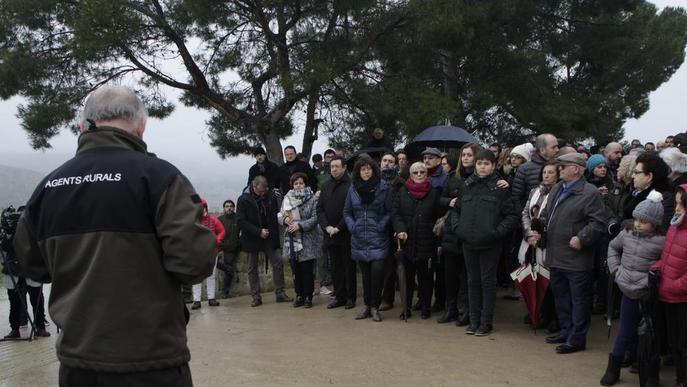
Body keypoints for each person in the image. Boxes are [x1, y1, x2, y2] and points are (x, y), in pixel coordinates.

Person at [13, 85, 216, 386]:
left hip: (77, 364)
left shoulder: (48, 187)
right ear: (141, 126)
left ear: (83, 126)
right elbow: (194, 263)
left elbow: (32, 266)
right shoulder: (160, 178)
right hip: (151, 361)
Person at [539, 153, 606, 354]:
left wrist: (582, 237)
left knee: (579, 300)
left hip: (577, 258)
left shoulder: (590, 192)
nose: (559, 170)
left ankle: (577, 338)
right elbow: (546, 213)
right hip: (556, 254)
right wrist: (539, 225)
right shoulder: (558, 188)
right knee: (561, 296)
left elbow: (598, 223)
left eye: (562, 166)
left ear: (576, 169)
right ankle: (566, 329)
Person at [600, 191, 665, 386]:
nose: (638, 224)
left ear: (654, 223)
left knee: (650, 334)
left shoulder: (662, 240)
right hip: (627, 290)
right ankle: (613, 368)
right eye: (637, 219)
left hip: (649, 294)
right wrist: (616, 270)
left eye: (643, 221)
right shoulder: (626, 232)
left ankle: (650, 372)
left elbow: (666, 262)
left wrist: (653, 278)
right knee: (624, 331)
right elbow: (612, 247)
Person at [451, 150, 519, 336]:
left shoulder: (500, 188)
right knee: (472, 282)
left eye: (486, 163)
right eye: (479, 163)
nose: (482, 166)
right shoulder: (466, 185)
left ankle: (485, 322)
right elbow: (456, 210)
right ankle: (473, 321)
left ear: (493, 165)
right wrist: (458, 228)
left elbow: (512, 215)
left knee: (487, 282)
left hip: (490, 243)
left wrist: (497, 233)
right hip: (468, 242)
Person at [344, 157, 392, 321]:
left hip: (378, 237)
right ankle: (366, 306)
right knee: (365, 276)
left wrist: (381, 225)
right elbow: (347, 212)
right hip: (359, 238)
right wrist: (352, 226)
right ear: (358, 171)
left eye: (368, 169)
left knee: (377, 273)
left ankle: (375, 307)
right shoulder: (352, 189)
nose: (366, 171)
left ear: (373, 170)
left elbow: (389, 211)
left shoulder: (383, 187)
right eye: (362, 169)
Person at [394, 162, 443, 320]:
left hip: (427, 241)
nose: (420, 175)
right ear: (411, 174)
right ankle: (406, 308)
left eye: (423, 172)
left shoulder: (434, 192)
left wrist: (437, 239)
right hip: (407, 241)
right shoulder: (402, 192)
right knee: (407, 278)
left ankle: (425, 307)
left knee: (426, 278)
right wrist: (401, 229)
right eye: (416, 172)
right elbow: (396, 214)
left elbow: (439, 217)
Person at [237, 176, 293, 307]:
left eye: (264, 191)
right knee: (252, 267)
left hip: (269, 236)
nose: (263, 193)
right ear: (254, 186)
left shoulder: (270, 195)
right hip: (252, 237)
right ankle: (256, 296)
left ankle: (280, 293)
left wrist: (271, 232)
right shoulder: (243, 199)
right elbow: (240, 221)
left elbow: (275, 215)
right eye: (260, 191)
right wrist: (258, 231)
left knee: (278, 262)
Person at [651, 184, 687, 387]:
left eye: (683, 204)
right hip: (668, 294)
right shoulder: (674, 227)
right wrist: (656, 268)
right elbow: (668, 257)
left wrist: (673, 285)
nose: (677, 208)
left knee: (683, 344)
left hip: (681, 297)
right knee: (674, 343)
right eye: (677, 203)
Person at [519, 160, 559, 330]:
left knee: (549, 280)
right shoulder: (535, 191)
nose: (546, 175)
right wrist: (529, 233)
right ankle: (537, 311)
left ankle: (551, 316)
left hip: (550, 243)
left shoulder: (559, 193)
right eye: (544, 172)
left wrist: (542, 234)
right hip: (531, 242)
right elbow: (525, 213)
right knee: (534, 276)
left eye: (550, 172)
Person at [1, 205, 50, 339]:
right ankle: (14, 329)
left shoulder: (34, 229)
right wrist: (9, 232)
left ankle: (40, 327)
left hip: (31, 267)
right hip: (14, 268)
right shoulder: (8, 231)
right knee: (14, 301)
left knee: (37, 300)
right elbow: (6, 248)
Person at [317, 156, 357, 310]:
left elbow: (351, 210)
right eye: (332, 166)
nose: (333, 169)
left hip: (345, 233)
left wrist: (338, 227)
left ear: (344, 167)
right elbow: (320, 209)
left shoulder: (351, 185)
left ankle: (350, 297)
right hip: (329, 234)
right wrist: (326, 226)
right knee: (335, 267)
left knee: (348, 266)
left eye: (336, 166)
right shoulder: (326, 185)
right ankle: (339, 296)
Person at [278, 173, 321, 308]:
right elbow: (280, 215)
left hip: (308, 239)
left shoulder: (313, 199)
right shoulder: (287, 199)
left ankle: (308, 296)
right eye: (296, 183)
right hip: (292, 240)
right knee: (295, 270)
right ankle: (299, 295)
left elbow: (315, 218)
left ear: (305, 184)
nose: (298, 186)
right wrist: (284, 220)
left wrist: (300, 225)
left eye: (301, 183)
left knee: (307, 270)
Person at [437, 153, 469, 326]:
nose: (465, 158)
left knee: (466, 277)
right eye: (463, 155)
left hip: (468, 234)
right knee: (450, 276)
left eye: (469, 155)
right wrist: (450, 201)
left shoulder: (477, 179)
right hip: (450, 233)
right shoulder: (451, 179)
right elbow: (440, 199)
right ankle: (450, 310)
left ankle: (464, 310)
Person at [379, 151, 405, 310]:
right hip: (377, 228)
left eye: (390, 161)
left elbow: (400, 205)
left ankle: (387, 299)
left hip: (392, 228)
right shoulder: (375, 180)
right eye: (384, 160)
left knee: (390, 265)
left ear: (395, 164)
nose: (387, 163)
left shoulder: (399, 182)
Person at [191, 199, 226, 309]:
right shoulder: (193, 222)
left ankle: (211, 298)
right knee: (197, 276)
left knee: (211, 275)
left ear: (205, 208)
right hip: (197, 253)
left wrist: (217, 241)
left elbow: (222, 231)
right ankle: (197, 300)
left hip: (211, 252)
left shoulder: (213, 220)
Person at [512, 133, 560, 211]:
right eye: (553, 147)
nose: (557, 150)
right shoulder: (525, 169)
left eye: (557, 146)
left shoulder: (561, 167)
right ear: (542, 150)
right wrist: (526, 218)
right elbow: (516, 198)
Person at [218, 200, 240, 297]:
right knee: (228, 268)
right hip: (222, 248)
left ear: (234, 207)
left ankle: (225, 291)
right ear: (224, 208)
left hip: (234, 249)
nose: (229, 208)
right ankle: (225, 291)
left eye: (231, 206)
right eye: (227, 206)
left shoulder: (238, 218)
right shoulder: (220, 219)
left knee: (229, 267)